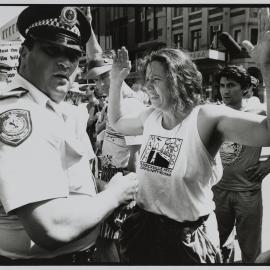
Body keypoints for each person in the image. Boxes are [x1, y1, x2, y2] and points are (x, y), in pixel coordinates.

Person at [107, 8, 270, 264]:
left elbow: (266, 132)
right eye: (147, 79)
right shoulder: (150, 116)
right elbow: (115, 122)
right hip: (144, 231)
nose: (147, 85)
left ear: (179, 80)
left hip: (189, 241)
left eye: (156, 79)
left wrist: (267, 68)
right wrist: (116, 81)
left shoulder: (205, 117)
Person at [0, 6, 138, 265]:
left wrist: (99, 189)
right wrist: (115, 195)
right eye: (52, 51)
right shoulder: (21, 114)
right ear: (24, 54)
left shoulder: (55, 109)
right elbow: (50, 227)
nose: (65, 62)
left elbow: (69, 182)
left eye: (73, 55)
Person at [83, 56, 145, 263]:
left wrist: (130, 191)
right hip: (107, 173)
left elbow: (136, 153)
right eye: (95, 81)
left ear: (117, 74)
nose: (97, 85)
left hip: (122, 175)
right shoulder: (112, 103)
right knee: (105, 238)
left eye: (102, 79)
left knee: (113, 240)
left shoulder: (131, 105)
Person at [212, 65, 270, 263]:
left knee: (250, 252)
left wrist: (268, 164)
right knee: (214, 246)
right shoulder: (214, 113)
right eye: (222, 85)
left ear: (244, 87)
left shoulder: (259, 111)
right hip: (218, 191)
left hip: (248, 192)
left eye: (231, 85)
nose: (225, 90)